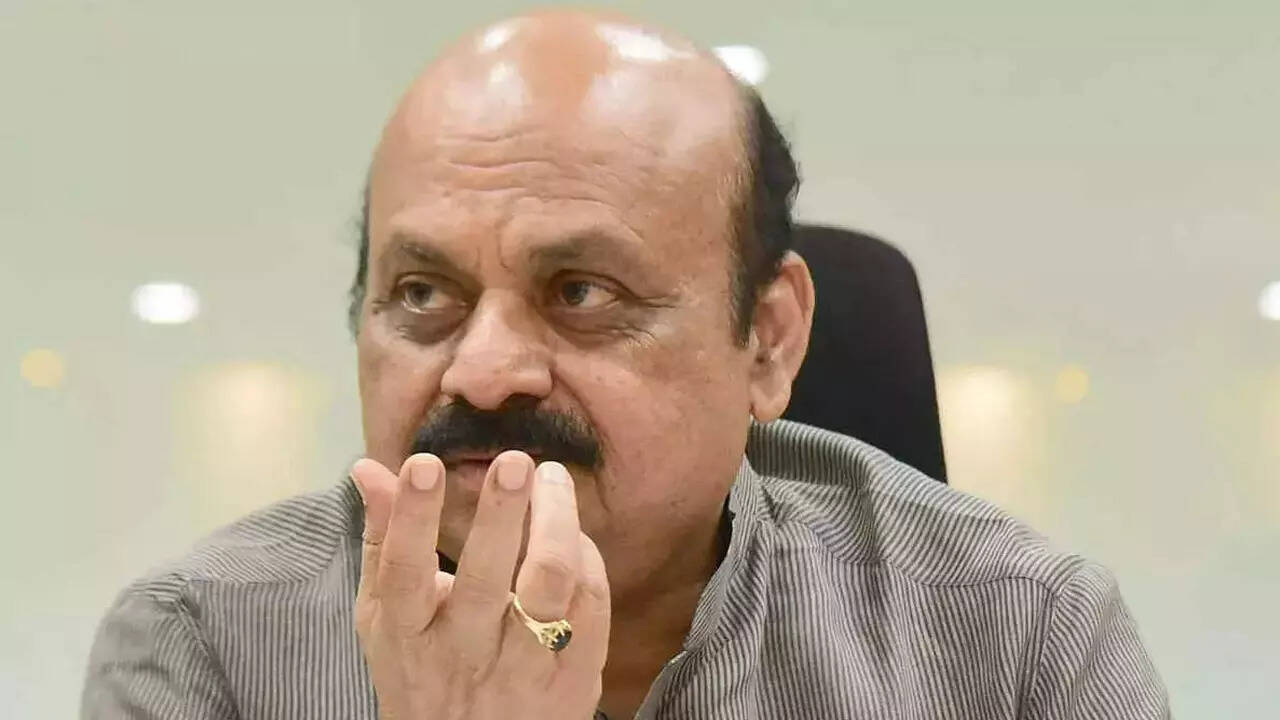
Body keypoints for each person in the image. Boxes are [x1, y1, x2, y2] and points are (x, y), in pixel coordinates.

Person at [81, 9, 1170, 719]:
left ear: (768, 340)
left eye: (580, 293)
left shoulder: (1017, 637)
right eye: (422, 295)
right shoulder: (207, 645)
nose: (483, 374)